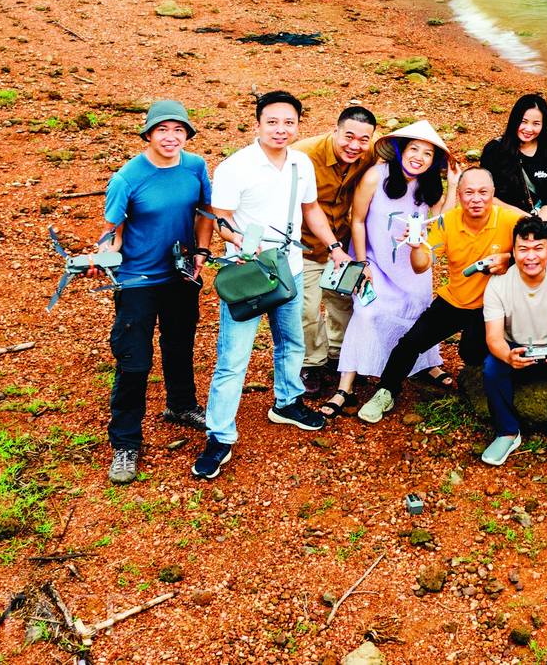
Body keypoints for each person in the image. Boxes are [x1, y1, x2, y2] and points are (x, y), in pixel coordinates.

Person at [195, 91, 351, 479]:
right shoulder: (236, 167)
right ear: (257, 124)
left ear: (298, 124)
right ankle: (219, 436)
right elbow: (222, 218)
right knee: (233, 359)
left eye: (289, 122)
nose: (281, 129)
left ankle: (287, 401)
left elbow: (310, 209)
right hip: (249, 273)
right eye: (273, 122)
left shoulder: (301, 162)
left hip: (290, 268)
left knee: (291, 339)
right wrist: (247, 245)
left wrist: (333, 246)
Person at [355, 163, 521, 425]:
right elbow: (421, 265)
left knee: (471, 353)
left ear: (493, 193)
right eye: (468, 192)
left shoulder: (510, 221)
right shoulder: (448, 222)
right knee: (410, 343)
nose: (475, 199)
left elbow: (542, 250)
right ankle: (385, 391)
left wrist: (509, 259)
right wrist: (416, 244)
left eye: (482, 192)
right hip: (454, 300)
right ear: (459, 195)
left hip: (491, 307)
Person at [102, 99, 214, 485]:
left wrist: (200, 251)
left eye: (179, 130)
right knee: (134, 360)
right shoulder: (127, 178)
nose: (171, 137)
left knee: (180, 343)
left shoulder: (196, 166)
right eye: (162, 130)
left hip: (180, 274)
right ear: (148, 134)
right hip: (137, 280)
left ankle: (181, 406)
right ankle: (125, 443)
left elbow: (204, 213)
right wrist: (105, 255)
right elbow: (111, 232)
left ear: (187, 134)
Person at [322, 120, 455, 417]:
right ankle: (346, 384)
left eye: (427, 154)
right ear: (400, 150)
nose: (419, 157)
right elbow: (357, 219)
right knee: (367, 312)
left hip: (411, 266)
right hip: (375, 263)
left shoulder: (429, 185)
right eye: (414, 149)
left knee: (418, 311)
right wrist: (362, 262)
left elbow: (441, 221)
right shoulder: (376, 176)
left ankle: (426, 364)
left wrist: (455, 184)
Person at [478, 216, 547, 471]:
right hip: (515, 345)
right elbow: (494, 336)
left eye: (538, 248)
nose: (531, 257)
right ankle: (507, 432)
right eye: (523, 249)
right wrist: (508, 356)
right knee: (491, 367)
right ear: (513, 252)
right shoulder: (498, 284)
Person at [292, 103, 377, 395]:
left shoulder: (369, 152)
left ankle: (339, 356)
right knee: (307, 308)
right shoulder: (303, 155)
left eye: (363, 140)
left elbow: (405, 154)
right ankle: (311, 363)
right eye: (348, 137)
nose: (354, 145)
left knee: (343, 302)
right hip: (305, 245)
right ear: (335, 131)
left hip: (342, 242)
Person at [480, 93, 547, 249]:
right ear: (514, 120)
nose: (529, 129)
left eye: (536, 123)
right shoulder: (494, 150)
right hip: (503, 221)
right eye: (523, 122)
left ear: (544, 125)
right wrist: (526, 219)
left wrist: (538, 223)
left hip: (538, 222)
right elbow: (485, 194)